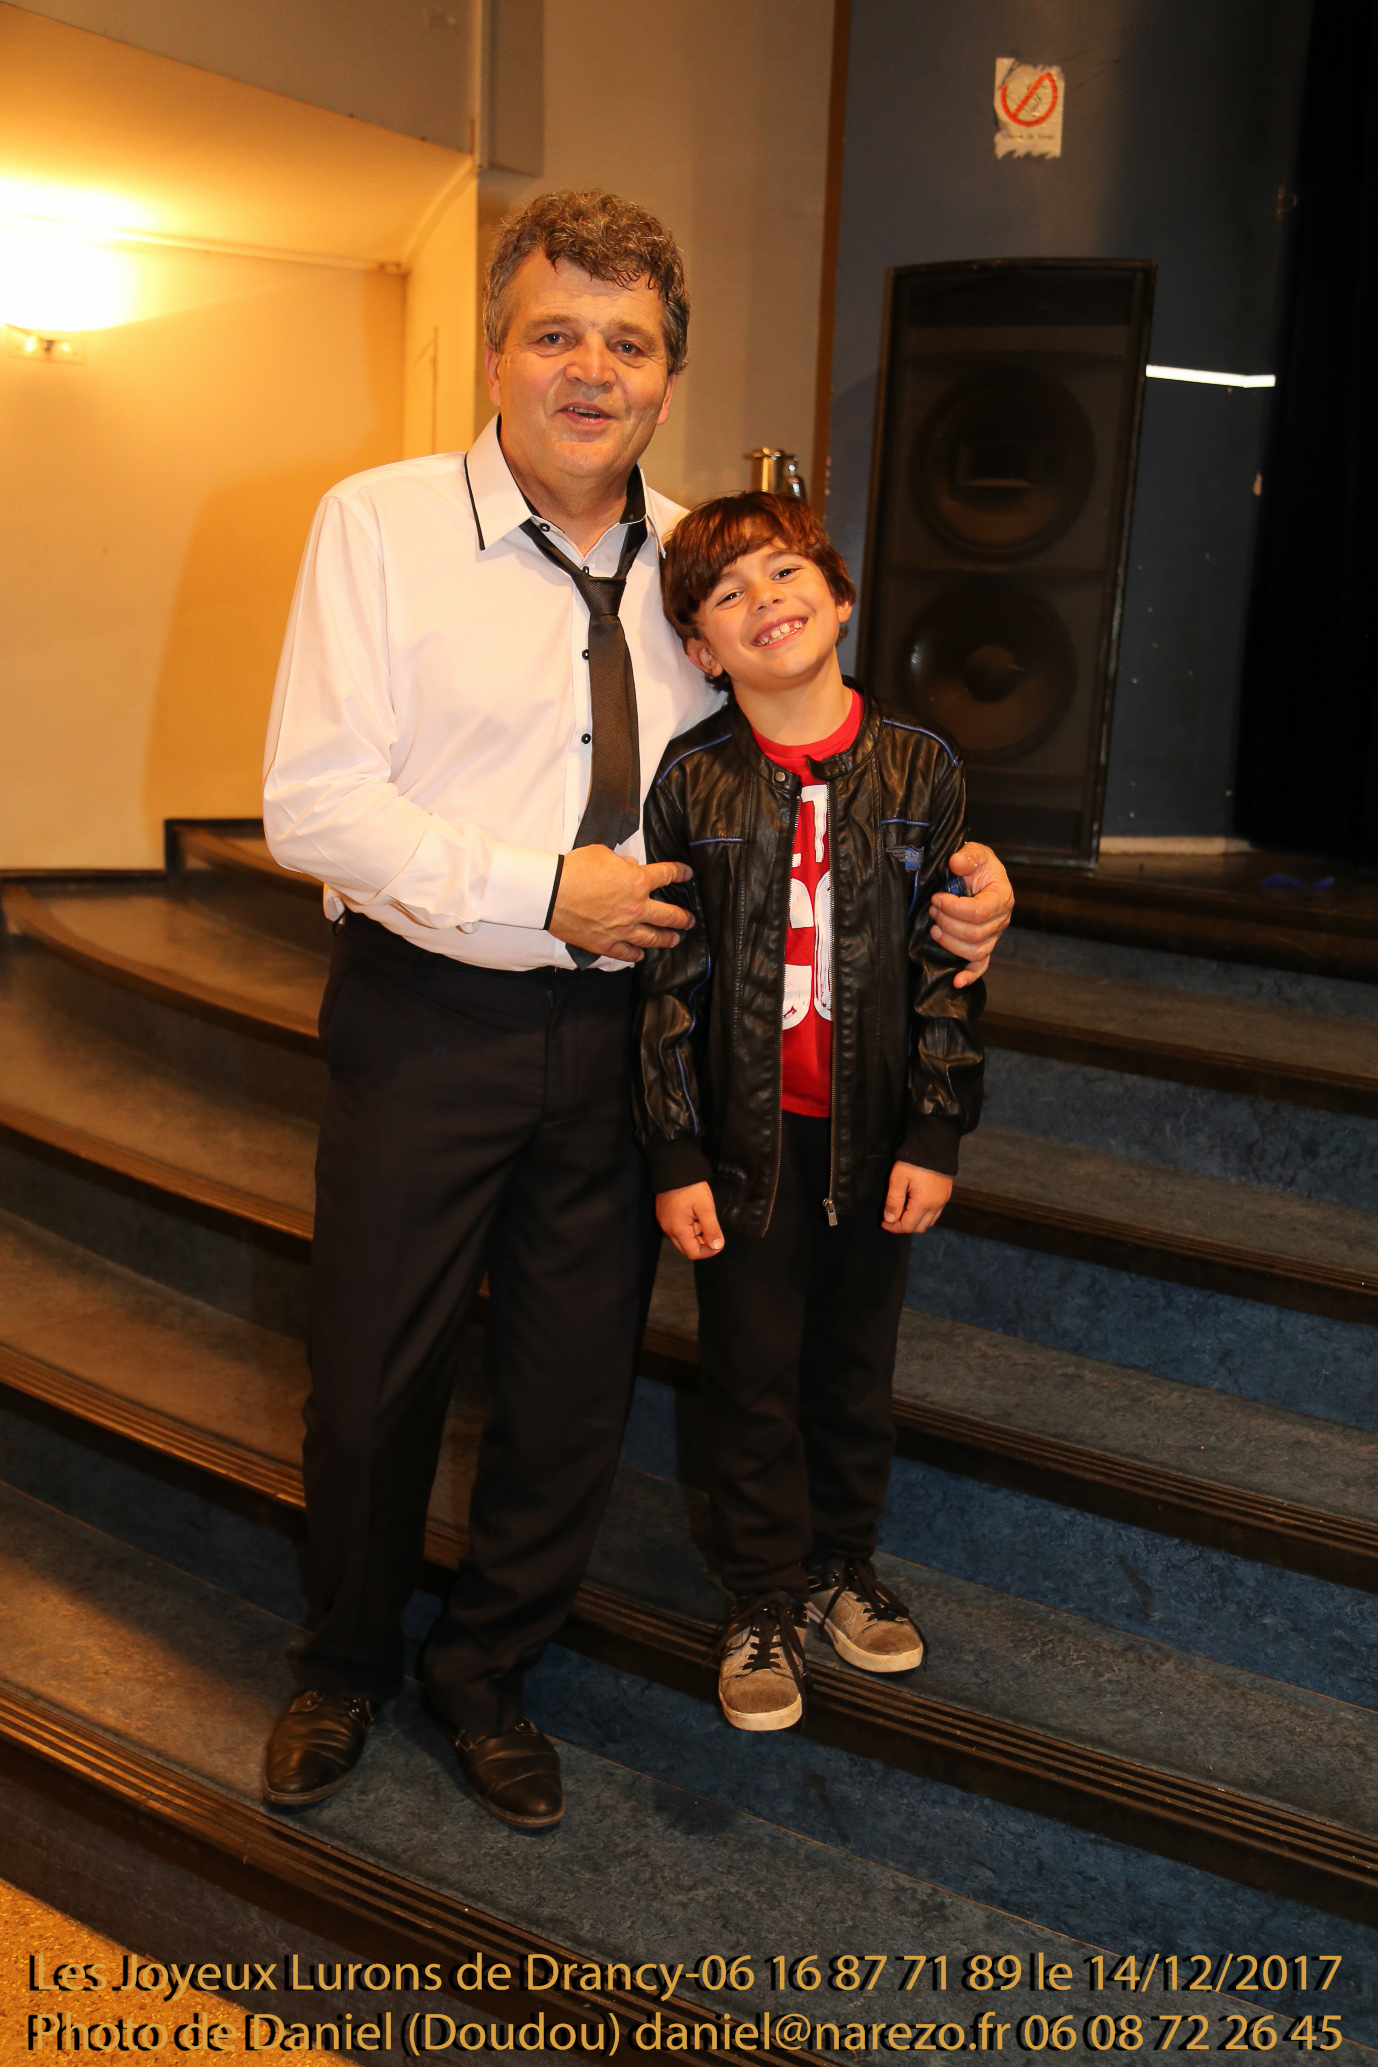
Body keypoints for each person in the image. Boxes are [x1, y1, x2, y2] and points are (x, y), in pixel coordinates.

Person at [260, 190, 1013, 1826]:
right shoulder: (378, 525)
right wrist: (545, 888)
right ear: (496, 354)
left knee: (567, 1391)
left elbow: (814, 764)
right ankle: (342, 1663)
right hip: (428, 1017)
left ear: (669, 376)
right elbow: (312, 805)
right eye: (556, 334)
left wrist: (956, 880)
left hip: (637, 1043)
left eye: (628, 343)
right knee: (373, 1379)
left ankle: (486, 1670)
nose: (590, 370)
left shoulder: (704, 570)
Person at [634, 491, 985, 1731]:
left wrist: (934, 1128)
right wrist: (673, 1149)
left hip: (875, 1136)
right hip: (744, 1148)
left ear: (839, 597)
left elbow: (950, 968)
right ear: (700, 649)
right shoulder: (692, 780)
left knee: (854, 1368)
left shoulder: (922, 767)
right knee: (750, 1375)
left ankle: (842, 1564)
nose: (764, 602)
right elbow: (667, 982)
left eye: (785, 574)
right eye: (726, 594)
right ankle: (762, 1596)